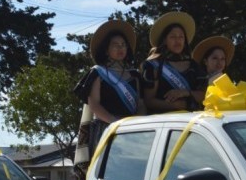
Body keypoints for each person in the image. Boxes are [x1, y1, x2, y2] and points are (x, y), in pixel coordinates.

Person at [73, 19, 146, 168]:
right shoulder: (98, 73)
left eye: (123, 45)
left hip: (133, 131)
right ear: (106, 49)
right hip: (106, 129)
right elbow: (94, 104)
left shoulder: (135, 75)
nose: (120, 48)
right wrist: (114, 122)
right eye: (115, 45)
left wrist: (137, 122)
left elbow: (141, 103)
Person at [141, 11, 205, 113]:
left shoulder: (194, 65)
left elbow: (203, 95)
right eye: (173, 37)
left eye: (181, 37)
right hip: (163, 123)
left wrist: (185, 93)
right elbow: (148, 101)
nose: (177, 40)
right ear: (164, 40)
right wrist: (175, 105)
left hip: (192, 122)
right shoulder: (153, 65)